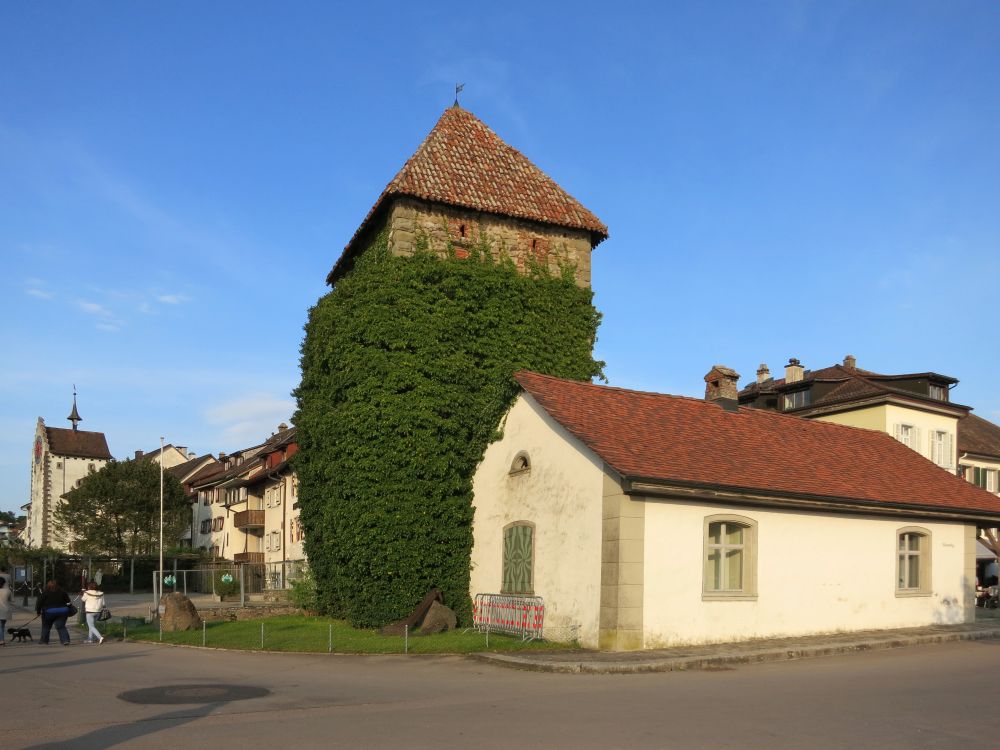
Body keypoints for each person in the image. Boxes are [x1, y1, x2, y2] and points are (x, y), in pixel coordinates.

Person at [36, 580, 72, 645]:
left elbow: (39, 603)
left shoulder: (45, 593)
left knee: (46, 626)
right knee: (61, 626)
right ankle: (65, 640)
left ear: (48, 586)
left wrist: (38, 612)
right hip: (62, 611)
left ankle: (44, 640)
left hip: (49, 612)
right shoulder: (63, 592)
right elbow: (68, 602)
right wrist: (69, 608)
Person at [0, 576, 13, 646]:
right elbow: (11, 600)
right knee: (2, 626)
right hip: (5, 611)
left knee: (0, 627)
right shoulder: (8, 591)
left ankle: (1, 640)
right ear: (4, 583)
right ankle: (1, 640)